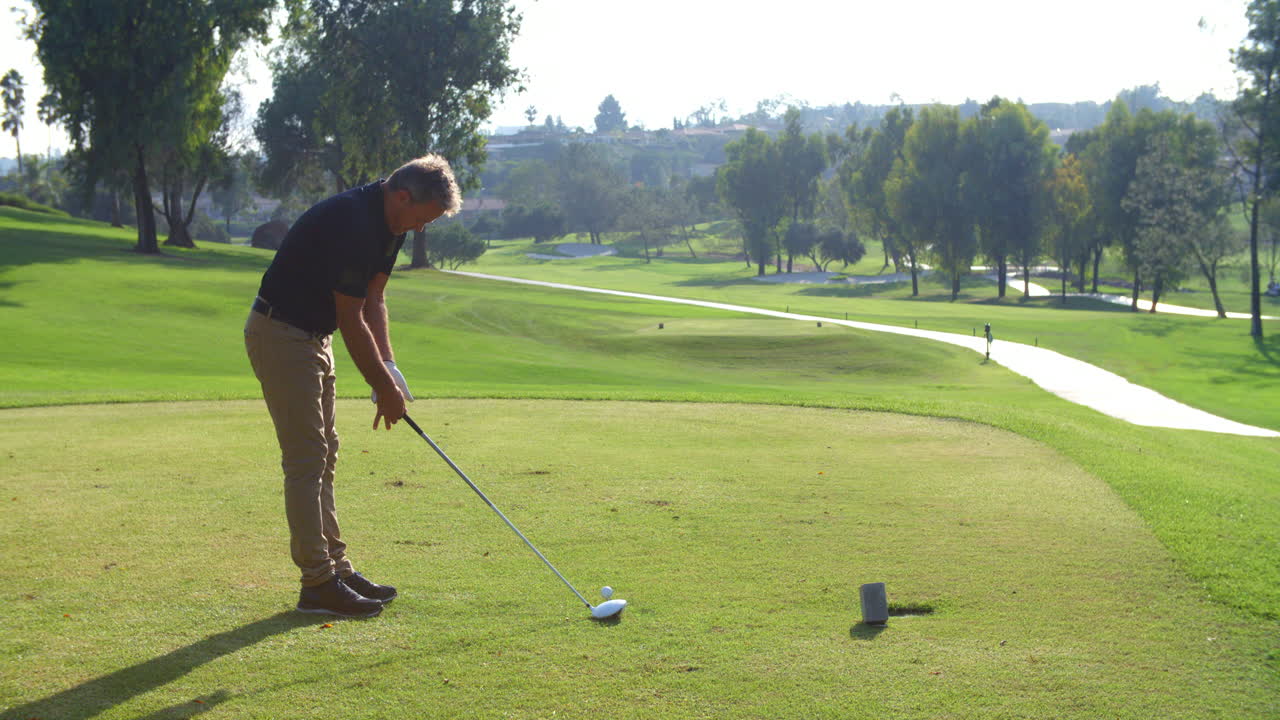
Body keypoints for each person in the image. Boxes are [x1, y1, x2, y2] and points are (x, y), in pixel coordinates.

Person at [245, 155, 461, 618]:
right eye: (421, 218)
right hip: (280, 333)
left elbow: (374, 298)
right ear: (402, 196)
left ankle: (336, 570)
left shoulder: (392, 225)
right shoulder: (354, 223)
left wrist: (389, 366)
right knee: (306, 459)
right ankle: (317, 583)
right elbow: (350, 317)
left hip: (312, 337)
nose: (420, 229)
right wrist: (382, 387)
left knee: (326, 454)